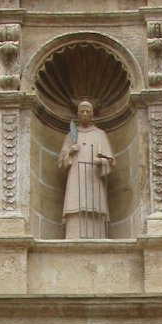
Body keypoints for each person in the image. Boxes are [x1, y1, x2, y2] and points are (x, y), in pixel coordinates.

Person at [58, 99, 114, 239]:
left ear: (92, 114)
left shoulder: (100, 134)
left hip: (93, 176)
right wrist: (70, 151)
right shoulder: (71, 135)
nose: (85, 114)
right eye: (82, 112)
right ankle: (74, 232)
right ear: (77, 114)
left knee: (94, 202)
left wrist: (100, 161)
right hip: (76, 175)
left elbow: (110, 162)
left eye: (87, 112)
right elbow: (61, 162)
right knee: (75, 201)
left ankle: (96, 233)